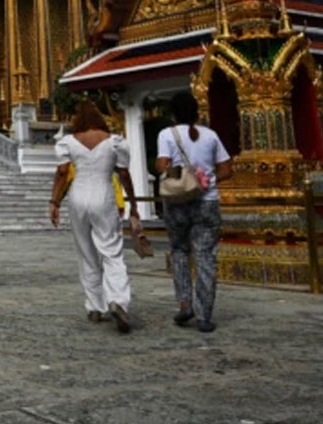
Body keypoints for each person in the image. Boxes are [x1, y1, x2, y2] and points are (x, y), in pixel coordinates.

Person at [51, 101, 139, 333]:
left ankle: (94, 306)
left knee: (86, 252)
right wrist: (133, 203)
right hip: (103, 194)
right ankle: (117, 300)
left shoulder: (68, 142)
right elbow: (124, 175)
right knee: (111, 251)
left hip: (77, 195)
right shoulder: (114, 142)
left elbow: (61, 173)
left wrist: (54, 202)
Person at [154, 91, 233, 333]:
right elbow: (227, 170)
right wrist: (206, 180)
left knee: (179, 250)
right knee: (205, 256)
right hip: (206, 201)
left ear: (173, 114)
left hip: (178, 201)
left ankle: (185, 303)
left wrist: (178, 171)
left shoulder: (167, 134)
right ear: (197, 112)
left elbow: (161, 166)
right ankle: (205, 315)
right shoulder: (211, 136)